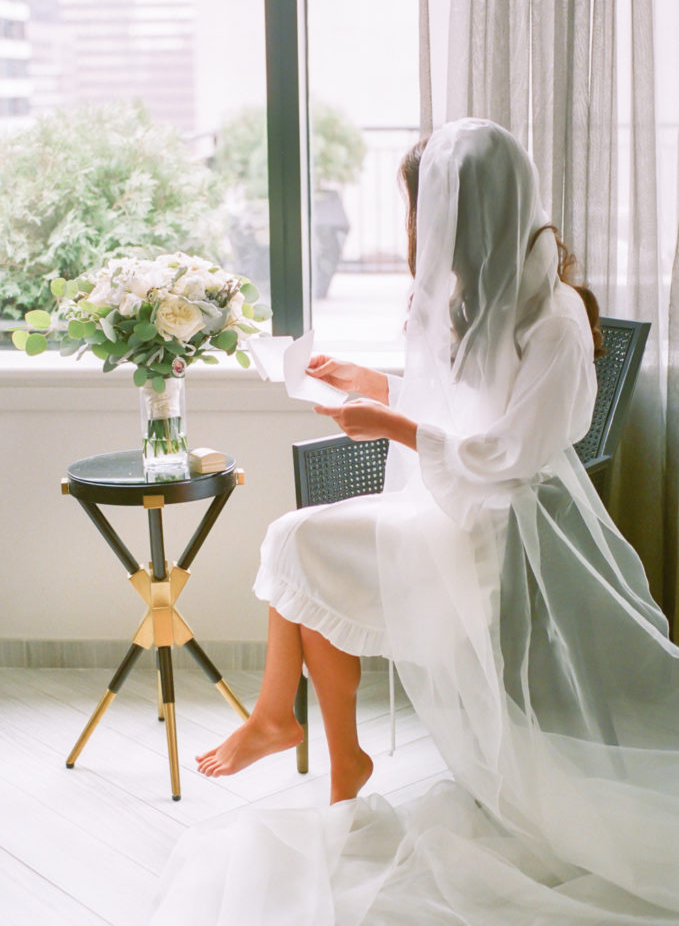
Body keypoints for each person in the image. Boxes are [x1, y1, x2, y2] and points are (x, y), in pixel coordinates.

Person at [151, 120, 679, 925]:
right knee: (300, 543)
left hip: (501, 532)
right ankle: (314, 745)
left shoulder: (556, 315)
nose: (415, 231)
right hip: (452, 502)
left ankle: (289, 726)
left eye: (423, 211)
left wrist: (392, 426)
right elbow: (464, 407)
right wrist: (379, 386)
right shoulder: (480, 289)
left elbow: (512, 449)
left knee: (296, 540)